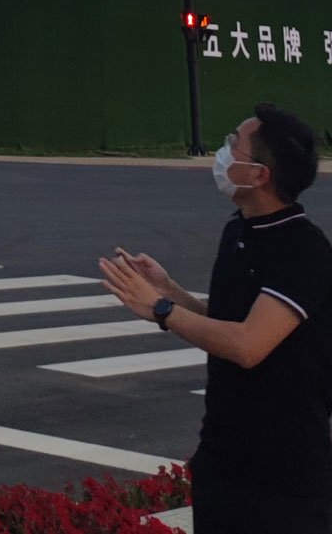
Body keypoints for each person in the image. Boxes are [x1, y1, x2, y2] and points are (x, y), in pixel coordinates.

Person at [100, 104, 332, 533]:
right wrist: (170, 290)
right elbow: (225, 325)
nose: (222, 153)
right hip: (223, 464)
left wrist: (162, 310)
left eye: (233, 144)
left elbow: (248, 345)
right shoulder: (238, 231)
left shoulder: (303, 250)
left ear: (259, 174)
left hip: (285, 480)